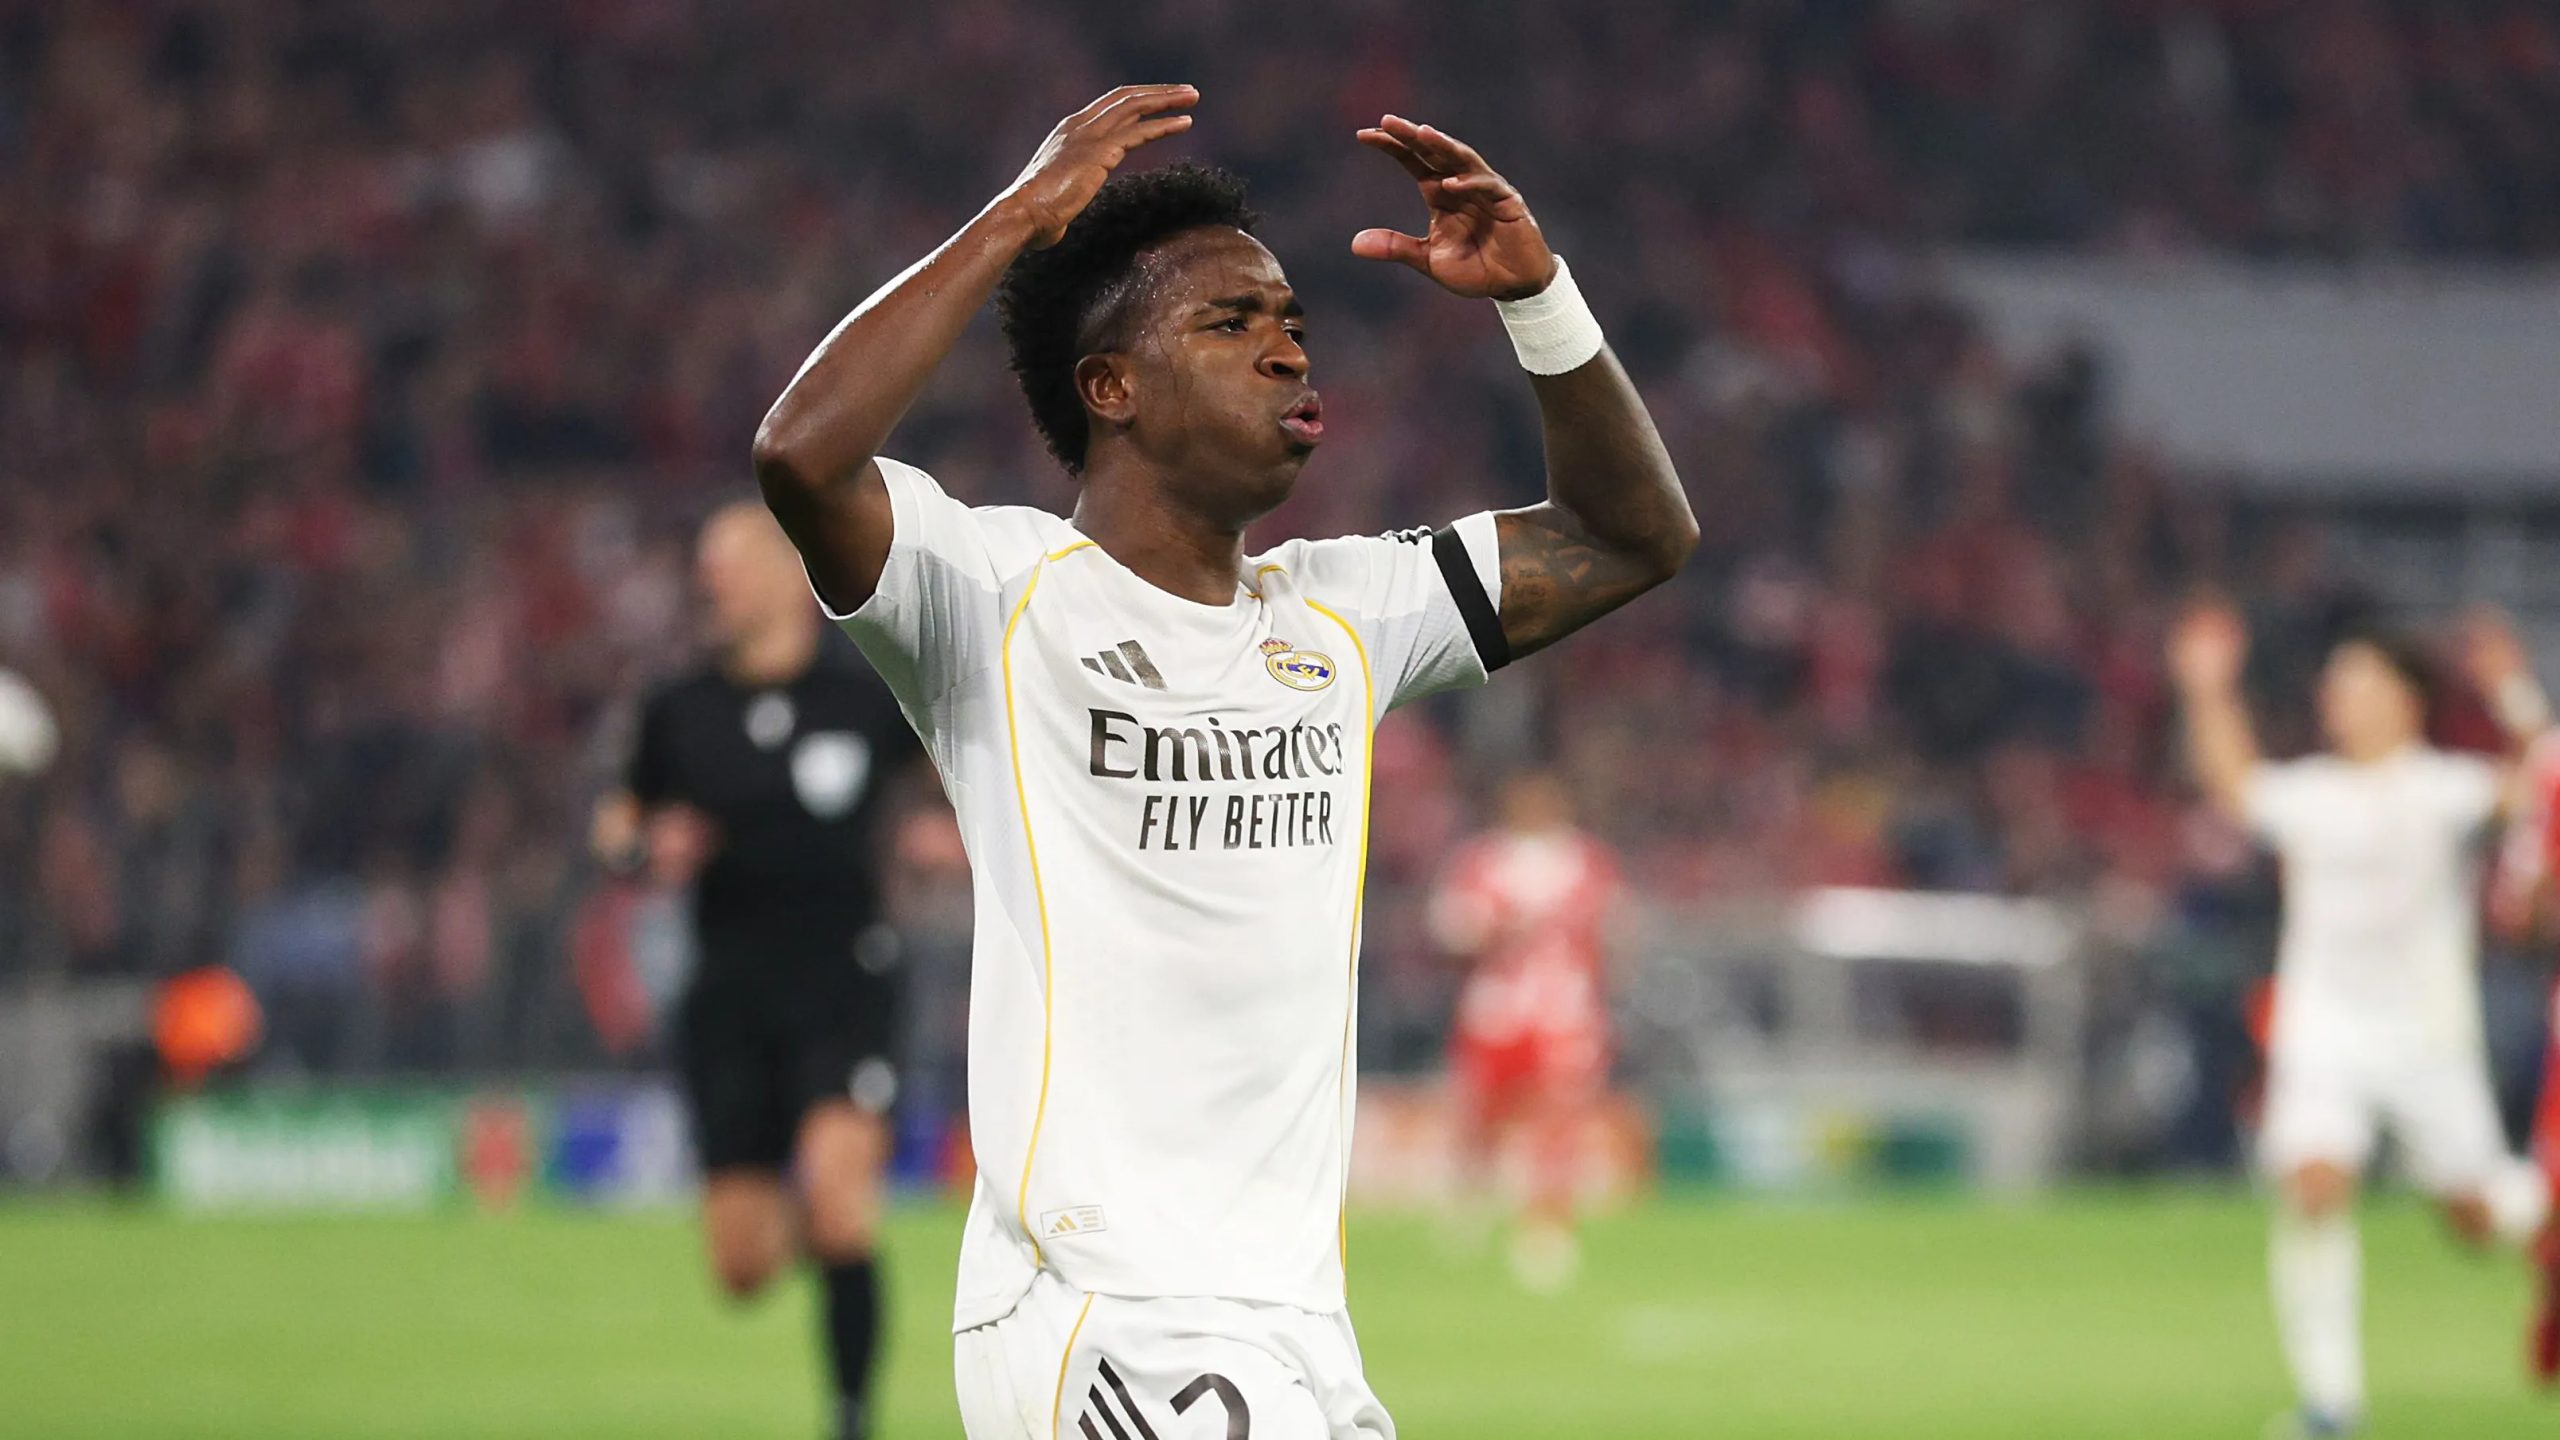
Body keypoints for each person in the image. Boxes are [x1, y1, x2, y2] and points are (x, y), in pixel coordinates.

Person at [753, 85, 1694, 1440]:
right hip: (1103, 1307)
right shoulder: (996, 597)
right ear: (1112, 388)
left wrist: (1538, 300)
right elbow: (803, 455)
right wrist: (1017, 221)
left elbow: (1630, 536)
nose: (1287, 350)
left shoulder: (1344, 614)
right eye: (1231, 322)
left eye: (1293, 323)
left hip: (1297, 1322)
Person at [2169, 601, 2555, 1438]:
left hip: (2427, 1038)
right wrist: (2207, 689)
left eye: (2356, 683)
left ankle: (2547, 1206)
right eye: (2334, 684)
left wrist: (2513, 691)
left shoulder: (2444, 787)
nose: (2337, 698)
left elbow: (2542, 784)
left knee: (2476, 1220)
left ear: (2404, 699)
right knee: (2314, 1185)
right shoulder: (2314, 793)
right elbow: (2236, 785)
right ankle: (2330, 1404)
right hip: (2325, 1029)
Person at [592, 502, 922, 1440]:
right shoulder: (678, 708)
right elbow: (617, 820)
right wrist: (642, 849)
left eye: (730, 568)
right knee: (741, 1268)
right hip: (729, 992)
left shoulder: (864, 693)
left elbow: (947, 775)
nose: (714, 586)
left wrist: (944, 836)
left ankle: (851, 1414)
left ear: (787, 573)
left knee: (841, 1202)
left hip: (844, 980)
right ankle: (820, 1221)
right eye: (708, 573)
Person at [1429, 769, 1621, 1292]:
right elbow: (1452, 928)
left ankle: (1545, 1227)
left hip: (1563, 1010)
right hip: (1499, 1008)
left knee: (1557, 1120)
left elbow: (1612, 930)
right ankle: (1469, 1206)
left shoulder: (1585, 860)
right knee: (1481, 1115)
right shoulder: (1484, 859)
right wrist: (1497, 927)